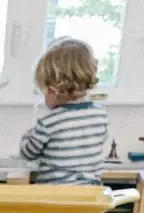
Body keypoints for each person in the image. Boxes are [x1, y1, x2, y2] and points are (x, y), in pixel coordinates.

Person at [19, 39, 108, 185]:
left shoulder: (49, 123)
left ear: (53, 91)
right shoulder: (100, 115)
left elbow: (28, 153)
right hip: (90, 197)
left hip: (56, 198)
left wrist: (27, 137)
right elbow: (95, 141)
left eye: (44, 93)